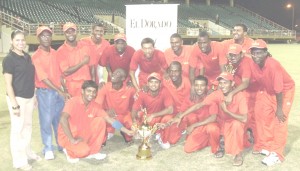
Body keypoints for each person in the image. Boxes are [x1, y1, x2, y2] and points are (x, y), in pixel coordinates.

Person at [178, 72, 247, 166]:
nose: (222, 86)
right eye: (221, 83)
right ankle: (220, 142)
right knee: (190, 147)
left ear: (232, 84)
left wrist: (227, 112)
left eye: (225, 83)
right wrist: (180, 116)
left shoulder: (240, 96)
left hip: (233, 125)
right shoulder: (217, 94)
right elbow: (199, 105)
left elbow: (244, 119)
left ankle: (238, 154)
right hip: (221, 125)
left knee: (236, 124)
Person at [58, 80, 134, 163]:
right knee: (83, 152)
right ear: (82, 91)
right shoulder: (73, 101)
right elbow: (63, 119)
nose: (91, 94)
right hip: (68, 136)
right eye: (89, 91)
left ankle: (93, 152)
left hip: (82, 134)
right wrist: (72, 139)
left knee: (100, 121)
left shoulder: (95, 105)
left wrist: (127, 131)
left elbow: (110, 120)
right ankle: (69, 151)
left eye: (94, 92)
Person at [249, 39, 295, 166]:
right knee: (262, 115)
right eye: (253, 53)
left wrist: (279, 109)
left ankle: (277, 153)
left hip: (284, 92)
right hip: (269, 91)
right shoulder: (253, 64)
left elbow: (279, 89)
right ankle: (267, 145)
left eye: (258, 53)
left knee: (280, 120)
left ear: (266, 53)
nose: (255, 56)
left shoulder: (273, 65)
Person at [3, 30, 41, 170]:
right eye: (17, 40)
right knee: (17, 130)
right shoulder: (9, 59)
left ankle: (27, 152)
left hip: (29, 97)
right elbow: (8, 83)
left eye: (23, 40)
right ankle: (19, 162)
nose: (21, 43)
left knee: (28, 126)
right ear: (12, 41)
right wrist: (14, 104)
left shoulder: (26, 56)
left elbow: (30, 78)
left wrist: (34, 95)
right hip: (17, 98)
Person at [31, 26, 71, 160]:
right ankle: (48, 148)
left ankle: (61, 144)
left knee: (59, 120)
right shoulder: (36, 56)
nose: (46, 38)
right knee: (46, 121)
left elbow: (60, 74)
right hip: (46, 92)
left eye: (48, 35)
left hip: (58, 91)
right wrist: (60, 90)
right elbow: (44, 78)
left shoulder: (55, 53)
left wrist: (64, 89)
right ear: (38, 38)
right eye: (43, 35)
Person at [168, 75, 219, 154]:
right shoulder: (190, 96)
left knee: (212, 128)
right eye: (197, 85)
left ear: (206, 87)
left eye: (202, 85)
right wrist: (176, 118)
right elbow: (182, 111)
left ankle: (211, 140)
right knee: (183, 145)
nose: (199, 88)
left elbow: (213, 118)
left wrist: (194, 125)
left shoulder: (210, 96)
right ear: (193, 86)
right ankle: (200, 136)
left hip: (206, 124)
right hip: (196, 125)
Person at [224, 43, 257, 147]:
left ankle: (252, 136)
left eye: (235, 54)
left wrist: (231, 94)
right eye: (230, 55)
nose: (232, 57)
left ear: (241, 54)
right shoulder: (233, 61)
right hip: (244, 90)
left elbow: (246, 83)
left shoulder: (245, 63)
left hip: (252, 91)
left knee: (250, 115)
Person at [131, 72, 174, 149]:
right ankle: (150, 134)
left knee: (168, 118)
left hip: (160, 116)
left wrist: (153, 115)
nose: (153, 84)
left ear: (160, 84)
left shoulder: (164, 91)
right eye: (151, 82)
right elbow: (135, 109)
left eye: (156, 82)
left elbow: (170, 110)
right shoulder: (142, 92)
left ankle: (162, 138)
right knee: (141, 116)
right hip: (148, 118)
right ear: (147, 83)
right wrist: (134, 122)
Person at [95, 68, 136, 143]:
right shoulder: (105, 87)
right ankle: (105, 136)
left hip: (124, 115)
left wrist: (134, 117)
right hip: (110, 116)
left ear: (123, 78)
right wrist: (106, 111)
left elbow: (137, 103)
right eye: (114, 72)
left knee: (132, 127)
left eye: (117, 73)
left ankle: (125, 134)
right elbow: (97, 105)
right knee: (103, 129)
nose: (113, 74)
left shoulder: (129, 88)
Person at [57, 22, 93, 97]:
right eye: (68, 32)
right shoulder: (61, 51)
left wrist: (92, 82)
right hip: (72, 85)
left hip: (87, 83)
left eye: (73, 31)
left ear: (76, 32)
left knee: (87, 107)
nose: (71, 34)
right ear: (64, 33)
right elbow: (66, 72)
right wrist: (82, 63)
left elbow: (91, 66)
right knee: (75, 108)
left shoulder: (85, 46)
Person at [189, 31, 226, 99]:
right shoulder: (196, 49)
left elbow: (224, 72)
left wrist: (217, 86)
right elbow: (191, 71)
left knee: (218, 96)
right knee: (201, 96)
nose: (202, 45)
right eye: (199, 43)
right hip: (206, 77)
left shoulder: (219, 47)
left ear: (209, 42)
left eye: (204, 43)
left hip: (219, 76)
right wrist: (193, 87)